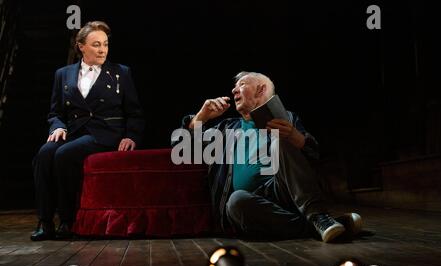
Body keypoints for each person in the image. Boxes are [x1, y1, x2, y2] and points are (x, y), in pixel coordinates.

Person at [175, 71, 362, 242]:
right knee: (235, 201)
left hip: (285, 192)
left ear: (261, 89)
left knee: (282, 135)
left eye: (241, 84)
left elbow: (315, 157)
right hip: (252, 205)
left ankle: (317, 216)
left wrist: (296, 138)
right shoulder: (227, 129)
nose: (233, 90)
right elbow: (182, 148)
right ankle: (316, 224)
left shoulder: (287, 118)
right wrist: (202, 117)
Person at [31, 21, 145, 241]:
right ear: (81, 46)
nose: (102, 49)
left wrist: (131, 135)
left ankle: (67, 220)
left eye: (105, 44)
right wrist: (58, 126)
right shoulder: (63, 74)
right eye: (96, 44)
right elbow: (54, 112)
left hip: (105, 133)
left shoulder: (121, 73)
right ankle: (45, 222)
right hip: (73, 131)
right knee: (44, 154)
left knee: (64, 155)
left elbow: (135, 112)